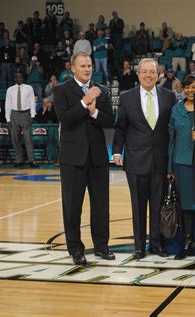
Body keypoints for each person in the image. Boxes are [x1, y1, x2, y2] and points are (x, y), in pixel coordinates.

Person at [53, 51, 115, 265]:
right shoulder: (60, 90)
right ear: (73, 68)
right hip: (72, 159)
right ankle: (76, 250)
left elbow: (110, 121)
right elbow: (65, 119)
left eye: (89, 65)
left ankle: (101, 246)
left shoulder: (103, 91)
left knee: (100, 205)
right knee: (72, 206)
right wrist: (84, 103)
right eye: (83, 66)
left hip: (97, 157)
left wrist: (94, 112)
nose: (87, 69)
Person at [112, 58, 177, 260]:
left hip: (160, 161)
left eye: (152, 72)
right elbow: (121, 127)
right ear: (138, 74)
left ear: (158, 75)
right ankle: (139, 247)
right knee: (138, 207)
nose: (148, 75)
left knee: (158, 206)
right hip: (135, 160)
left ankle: (157, 245)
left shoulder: (169, 96)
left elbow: (171, 129)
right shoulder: (126, 97)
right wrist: (116, 151)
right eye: (144, 72)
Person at [167, 76, 195, 261]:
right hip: (181, 164)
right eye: (187, 87)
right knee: (185, 207)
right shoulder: (176, 110)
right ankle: (186, 245)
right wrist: (169, 168)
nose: (191, 90)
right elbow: (171, 141)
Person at [5, 72, 37, 168]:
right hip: (14, 114)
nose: (20, 78)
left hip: (25, 114)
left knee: (28, 139)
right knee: (15, 139)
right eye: (18, 77)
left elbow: (32, 101)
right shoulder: (10, 90)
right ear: (15, 79)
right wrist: (8, 119)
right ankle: (19, 160)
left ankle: (31, 160)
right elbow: (8, 104)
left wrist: (32, 115)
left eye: (21, 77)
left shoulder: (29, 88)